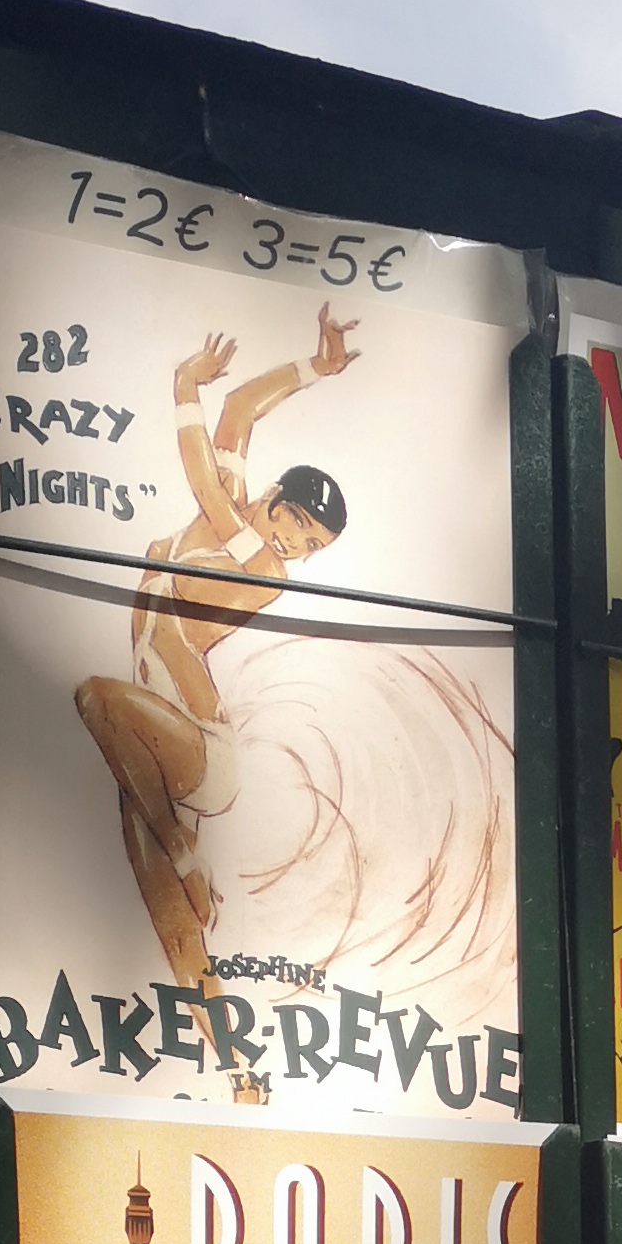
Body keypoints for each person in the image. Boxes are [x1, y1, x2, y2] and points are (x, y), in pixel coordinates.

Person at [76, 312, 358, 1000]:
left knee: (94, 695)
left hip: (197, 745)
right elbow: (237, 407)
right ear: (274, 499)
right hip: (146, 740)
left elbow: (204, 478)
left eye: (314, 544)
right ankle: (236, 1069)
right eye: (298, 524)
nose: (298, 546)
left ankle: (183, 849)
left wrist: (180, 386)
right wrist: (314, 368)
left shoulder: (259, 564)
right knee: (173, 925)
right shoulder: (231, 514)